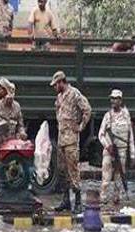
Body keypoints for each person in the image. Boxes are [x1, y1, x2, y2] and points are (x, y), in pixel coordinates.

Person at [50, 70, 92, 214]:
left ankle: (78, 201)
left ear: (62, 82)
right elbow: (58, 112)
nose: (55, 87)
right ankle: (66, 200)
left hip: (71, 141)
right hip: (62, 139)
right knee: (62, 171)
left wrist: (81, 126)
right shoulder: (59, 97)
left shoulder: (74, 94)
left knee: (73, 170)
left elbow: (87, 110)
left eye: (56, 84)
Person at [98, 89, 135, 207]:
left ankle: (116, 198)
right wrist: (107, 146)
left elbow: (130, 136)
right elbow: (101, 134)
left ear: (120, 100)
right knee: (106, 177)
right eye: (112, 99)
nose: (113, 101)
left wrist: (132, 154)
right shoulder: (107, 116)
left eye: (116, 99)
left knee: (119, 176)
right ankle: (103, 199)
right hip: (110, 151)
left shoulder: (126, 116)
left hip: (122, 150)